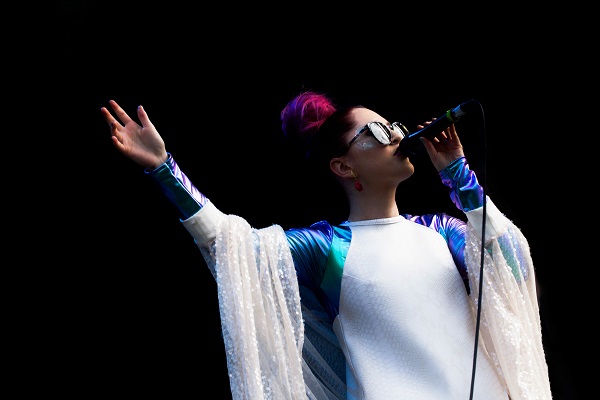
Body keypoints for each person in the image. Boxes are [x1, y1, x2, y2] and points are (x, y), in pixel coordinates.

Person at [101, 91, 552, 400]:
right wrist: (164, 168)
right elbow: (231, 246)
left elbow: (513, 269)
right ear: (342, 165)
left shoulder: (442, 231)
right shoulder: (326, 248)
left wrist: (460, 176)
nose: (397, 136)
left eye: (393, 126)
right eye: (376, 133)